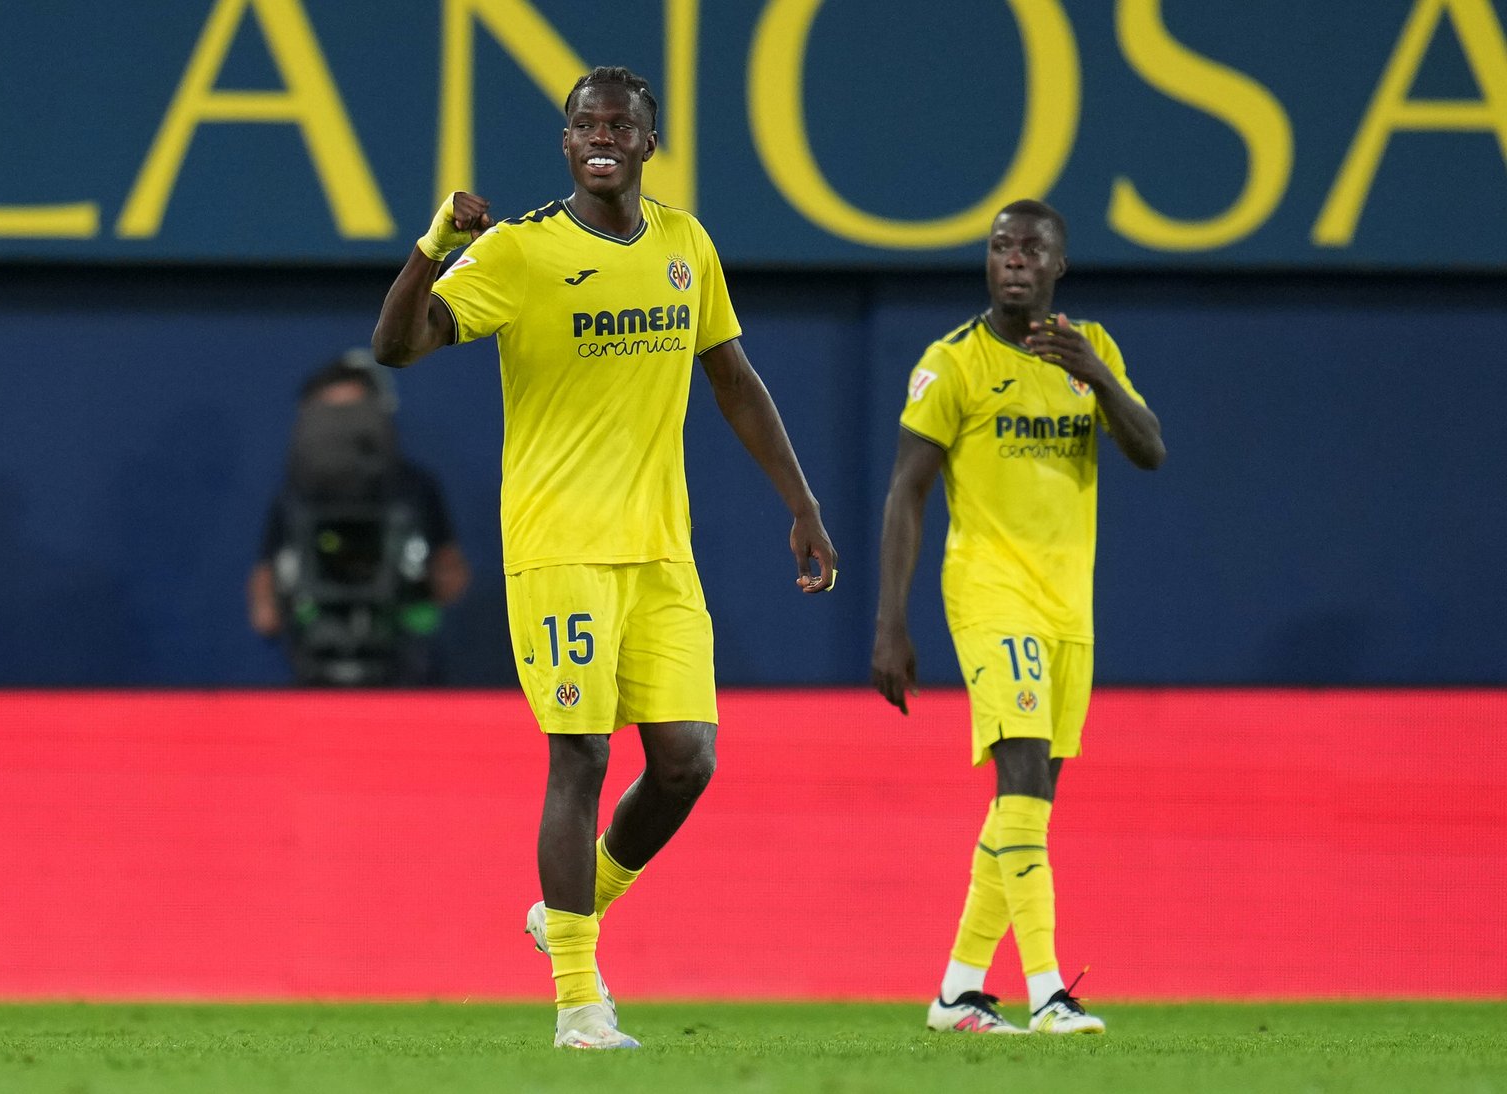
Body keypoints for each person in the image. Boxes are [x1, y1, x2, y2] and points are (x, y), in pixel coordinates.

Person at [371, 66, 837, 1049]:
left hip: (659, 550)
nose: (602, 136)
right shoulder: (520, 252)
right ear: (567, 139)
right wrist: (433, 248)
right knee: (579, 755)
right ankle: (580, 1001)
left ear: (648, 143)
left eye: (620, 124)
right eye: (586, 121)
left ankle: (565, 915)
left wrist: (798, 501)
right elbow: (395, 346)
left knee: (685, 761)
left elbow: (734, 379)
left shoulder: (684, 245)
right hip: (559, 546)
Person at [871, 199, 1164, 1036]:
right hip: (990, 594)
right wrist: (891, 621)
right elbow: (907, 491)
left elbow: (1149, 449)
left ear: (1059, 266)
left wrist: (1099, 377)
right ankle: (1048, 993)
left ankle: (958, 990)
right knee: (1023, 784)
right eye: (1002, 247)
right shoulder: (953, 364)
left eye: (1033, 249)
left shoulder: (1091, 351)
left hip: (1069, 606)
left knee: (1024, 807)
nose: (1015, 260)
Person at [247, 354, 471, 685]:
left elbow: (450, 576)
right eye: (331, 416)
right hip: (317, 664)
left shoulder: (417, 488)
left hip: (405, 665)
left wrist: (418, 588)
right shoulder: (293, 498)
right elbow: (265, 600)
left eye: (353, 414)